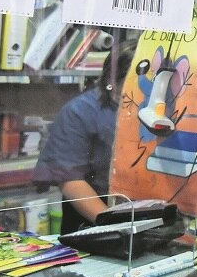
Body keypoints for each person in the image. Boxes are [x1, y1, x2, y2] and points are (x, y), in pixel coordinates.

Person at [32, 41, 135, 234]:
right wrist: (115, 226)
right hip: (94, 216)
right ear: (113, 80)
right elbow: (70, 180)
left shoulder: (155, 109)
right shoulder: (80, 112)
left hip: (143, 208)